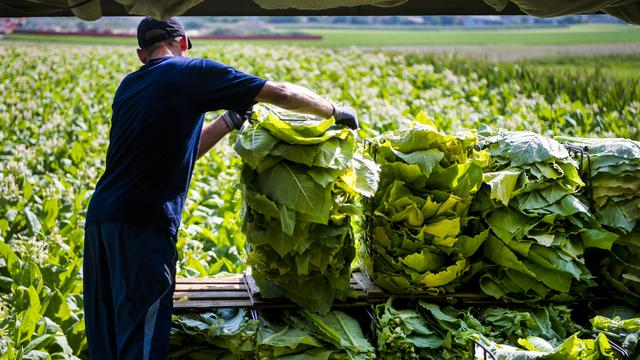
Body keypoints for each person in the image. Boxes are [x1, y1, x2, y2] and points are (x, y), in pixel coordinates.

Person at [82, 16, 358, 360]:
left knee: (106, 339)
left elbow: (181, 152)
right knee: (142, 341)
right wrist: (334, 111)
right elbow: (282, 93)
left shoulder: (128, 85)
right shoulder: (190, 72)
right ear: (183, 42)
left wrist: (229, 121)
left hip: (101, 222)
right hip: (144, 226)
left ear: (141, 54)